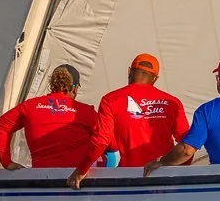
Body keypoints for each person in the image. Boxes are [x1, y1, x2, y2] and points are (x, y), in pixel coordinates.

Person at [68, 53, 188, 189]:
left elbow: (101, 140)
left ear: (129, 71)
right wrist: (178, 172)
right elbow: (187, 145)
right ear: (155, 79)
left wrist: (82, 169)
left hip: (128, 179)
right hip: (163, 178)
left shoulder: (110, 100)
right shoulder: (172, 102)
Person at [0, 64, 98, 169]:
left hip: (41, 178)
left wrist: (7, 162)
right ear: (74, 89)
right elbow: (108, 140)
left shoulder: (30, 106)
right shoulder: (86, 111)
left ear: (52, 84)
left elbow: (1, 126)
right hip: (75, 179)